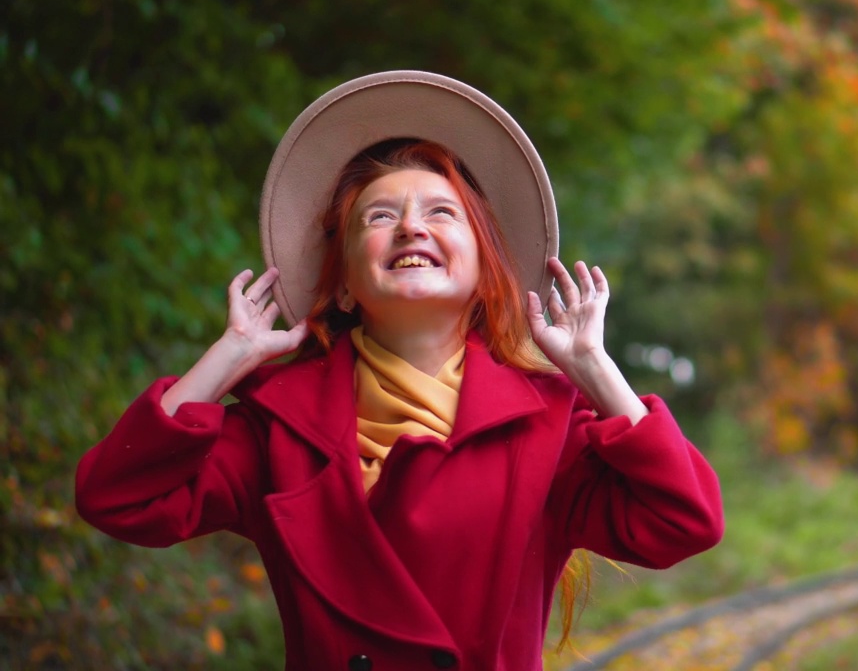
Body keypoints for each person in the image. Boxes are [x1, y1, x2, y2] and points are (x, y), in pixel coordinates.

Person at [75, 71, 723, 671]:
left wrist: (593, 369)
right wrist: (229, 357)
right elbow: (119, 500)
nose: (410, 226)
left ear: (482, 278)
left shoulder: (548, 428)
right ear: (347, 286)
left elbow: (685, 522)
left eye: (442, 213)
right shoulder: (279, 428)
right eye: (378, 217)